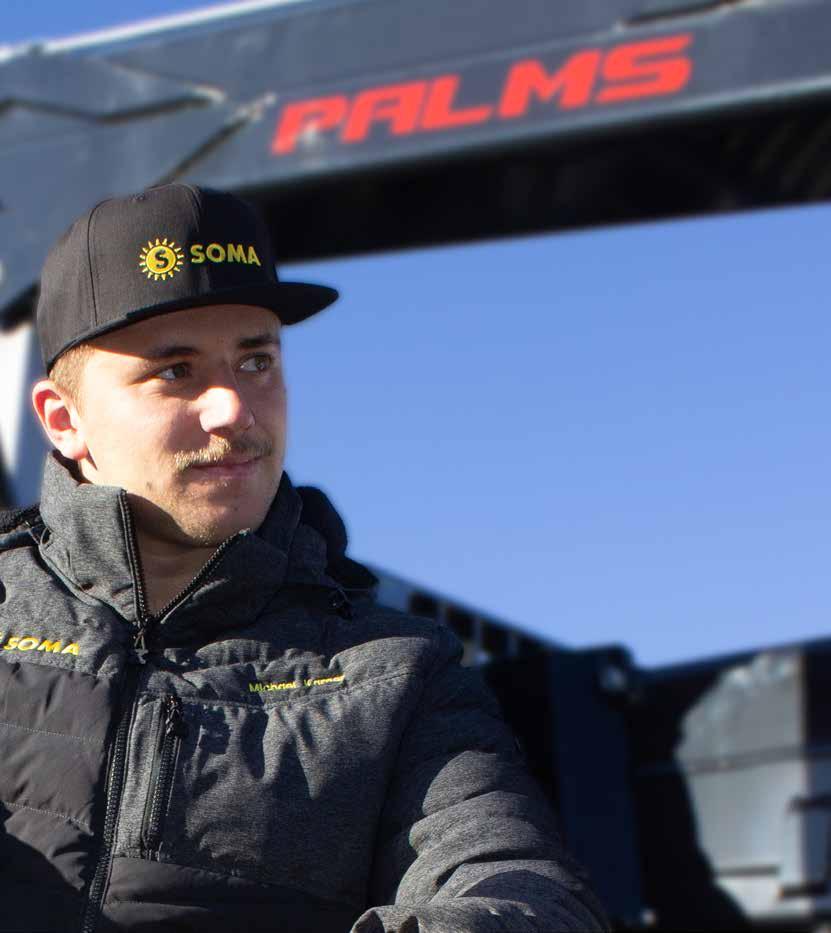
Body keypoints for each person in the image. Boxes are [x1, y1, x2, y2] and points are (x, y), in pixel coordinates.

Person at [0, 184, 608, 932]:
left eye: (256, 361)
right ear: (64, 419)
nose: (233, 408)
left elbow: (513, 881)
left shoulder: (395, 672)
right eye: (176, 371)